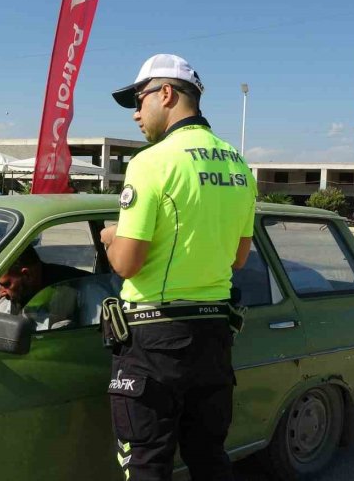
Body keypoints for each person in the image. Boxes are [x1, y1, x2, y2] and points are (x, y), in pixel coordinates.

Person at [100, 54, 257, 480]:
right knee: (209, 458)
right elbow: (239, 258)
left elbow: (127, 264)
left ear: (166, 93)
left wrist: (112, 237)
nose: (136, 113)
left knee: (146, 465)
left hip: (155, 341)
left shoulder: (151, 162)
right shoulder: (238, 164)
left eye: (139, 100)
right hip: (214, 337)